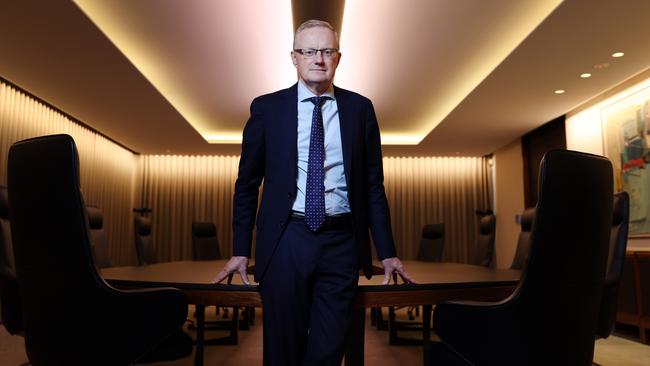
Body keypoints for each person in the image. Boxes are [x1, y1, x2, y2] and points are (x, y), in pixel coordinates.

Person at [213, 19, 413, 366]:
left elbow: (373, 186)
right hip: (285, 240)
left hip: (342, 244)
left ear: (338, 57)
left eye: (326, 51)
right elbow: (246, 185)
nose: (318, 59)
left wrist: (388, 252)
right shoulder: (266, 108)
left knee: (328, 351)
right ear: (294, 57)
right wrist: (241, 249)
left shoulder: (360, 109)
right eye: (309, 51)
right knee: (283, 351)